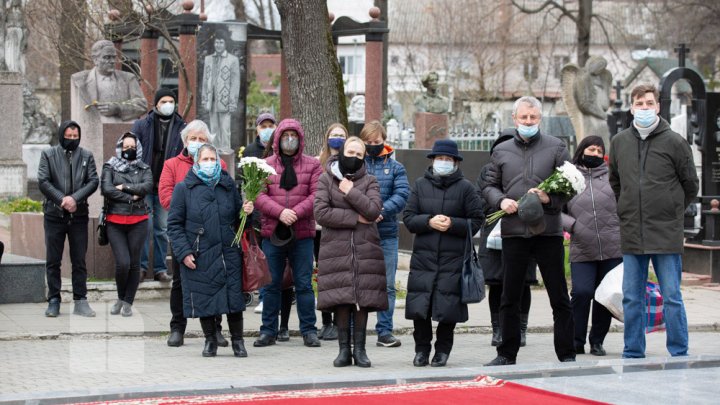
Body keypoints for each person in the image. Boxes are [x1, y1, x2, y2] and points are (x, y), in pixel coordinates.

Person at [483, 96, 575, 366]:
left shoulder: (557, 147)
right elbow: (488, 186)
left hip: (548, 231)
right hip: (513, 231)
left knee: (559, 295)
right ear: (514, 119)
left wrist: (550, 200)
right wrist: (501, 201)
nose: (528, 122)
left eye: (533, 118)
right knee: (509, 295)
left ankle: (567, 353)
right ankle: (506, 353)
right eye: (523, 118)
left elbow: (570, 187)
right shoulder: (501, 151)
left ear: (540, 119)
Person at [609, 84, 699, 359]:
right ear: (632, 107)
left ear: (658, 106)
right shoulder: (620, 142)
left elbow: (690, 184)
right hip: (633, 232)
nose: (645, 108)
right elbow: (616, 182)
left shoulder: (674, 141)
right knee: (631, 298)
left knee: (671, 296)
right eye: (639, 103)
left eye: (649, 103)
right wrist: (627, 208)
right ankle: (633, 351)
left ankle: (678, 350)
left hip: (665, 232)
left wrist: (672, 211)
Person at [167, 144, 253, 358]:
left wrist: (247, 212)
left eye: (212, 158)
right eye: (204, 159)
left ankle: (238, 342)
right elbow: (174, 225)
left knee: (234, 299)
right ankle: (210, 340)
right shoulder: (183, 188)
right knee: (205, 297)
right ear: (196, 162)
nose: (209, 162)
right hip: (201, 252)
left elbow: (239, 220)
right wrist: (184, 252)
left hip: (228, 251)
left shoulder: (227, 184)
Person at [403, 139, 483, 367]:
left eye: (448, 160)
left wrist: (453, 224)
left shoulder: (466, 188)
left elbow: (476, 220)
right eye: (440, 159)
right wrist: (429, 221)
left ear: (456, 163)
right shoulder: (419, 185)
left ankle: (443, 351)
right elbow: (408, 218)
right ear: (433, 161)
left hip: (453, 258)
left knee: (448, 309)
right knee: (421, 308)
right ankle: (421, 350)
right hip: (424, 258)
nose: (444, 163)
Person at [315, 136, 387, 367]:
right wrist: (355, 217)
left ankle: (361, 350)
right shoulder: (326, 179)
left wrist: (350, 191)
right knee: (343, 300)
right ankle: (344, 350)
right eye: (351, 152)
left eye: (359, 154)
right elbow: (321, 213)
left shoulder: (371, 181)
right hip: (336, 248)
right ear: (342, 152)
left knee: (362, 300)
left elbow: (374, 210)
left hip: (365, 248)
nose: (353, 157)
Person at [253, 118, 322, 348]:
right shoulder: (265, 164)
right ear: (278, 139)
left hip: (302, 233)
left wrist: (295, 212)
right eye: (285, 136)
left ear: (300, 139)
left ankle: (309, 331)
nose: (289, 140)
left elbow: (316, 195)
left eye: (293, 136)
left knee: (303, 284)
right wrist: (281, 212)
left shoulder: (313, 165)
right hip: (273, 233)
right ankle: (268, 331)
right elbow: (258, 195)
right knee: (271, 284)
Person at [158, 120, 228, 347]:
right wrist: (192, 209)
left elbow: (225, 194)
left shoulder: (219, 164)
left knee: (215, 281)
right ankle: (178, 327)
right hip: (184, 233)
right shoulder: (172, 165)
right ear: (185, 141)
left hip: (212, 233)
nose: (197, 143)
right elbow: (165, 195)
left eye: (202, 139)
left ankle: (216, 329)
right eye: (193, 139)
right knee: (180, 282)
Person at [561, 135, 622, 356]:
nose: (594, 154)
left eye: (599, 150)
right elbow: (555, 210)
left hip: (612, 246)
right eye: (591, 149)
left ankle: (597, 341)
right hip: (582, 247)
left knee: (605, 295)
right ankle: (576, 340)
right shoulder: (568, 177)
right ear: (581, 150)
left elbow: (626, 204)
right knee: (581, 292)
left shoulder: (612, 177)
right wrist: (573, 225)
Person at [477, 132, 537, 348]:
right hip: (494, 233)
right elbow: (480, 200)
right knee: (496, 283)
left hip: (524, 231)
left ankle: (521, 330)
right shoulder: (487, 172)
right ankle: (498, 329)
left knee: (523, 284)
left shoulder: (529, 170)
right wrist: (502, 205)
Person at [38, 120, 99, 317]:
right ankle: (54, 299)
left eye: (75, 136)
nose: (72, 139)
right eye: (68, 136)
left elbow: (93, 181)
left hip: (79, 215)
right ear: (61, 134)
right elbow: (43, 181)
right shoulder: (48, 154)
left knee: (79, 259)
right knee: (53, 260)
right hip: (54, 215)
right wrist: (61, 199)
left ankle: (80, 299)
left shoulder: (87, 155)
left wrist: (75, 198)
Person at [360, 121, 410, 348]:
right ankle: (355, 329)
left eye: (376, 142)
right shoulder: (356, 164)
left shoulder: (396, 167)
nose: (372, 146)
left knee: (387, 285)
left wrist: (381, 211)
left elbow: (401, 194)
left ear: (384, 141)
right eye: (368, 143)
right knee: (359, 283)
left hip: (387, 232)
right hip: (360, 232)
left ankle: (384, 331)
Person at [133, 88, 186, 283]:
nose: (167, 105)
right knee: (145, 226)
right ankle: (141, 267)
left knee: (162, 229)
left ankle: (160, 269)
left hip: (167, 186)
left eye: (171, 101)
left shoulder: (181, 127)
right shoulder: (142, 124)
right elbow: (133, 151)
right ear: (156, 104)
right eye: (163, 101)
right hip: (145, 184)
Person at [101, 133, 153, 317]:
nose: (128, 150)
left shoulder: (144, 167)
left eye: (132, 147)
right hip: (115, 221)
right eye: (125, 147)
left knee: (134, 263)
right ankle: (120, 297)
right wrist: (131, 197)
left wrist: (123, 188)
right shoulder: (110, 166)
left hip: (138, 221)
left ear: (137, 148)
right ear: (119, 148)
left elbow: (147, 187)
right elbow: (106, 189)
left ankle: (128, 302)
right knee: (122, 263)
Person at [313, 122, 354, 341]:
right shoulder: (318, 161)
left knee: (343, 274)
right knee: (324, 275)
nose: (337, 138)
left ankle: (343, 322)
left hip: (345, 226)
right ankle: (326, 321)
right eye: (333, 135)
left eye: (341, 135)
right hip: (321, 228)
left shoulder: (352, 162)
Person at [71, 40, 146, 122]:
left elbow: (141, 105)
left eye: (114, 57)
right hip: (92, 129)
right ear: (95, 59)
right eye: (107, 57)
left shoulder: (128, 79)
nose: (112, 61)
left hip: (123, 129)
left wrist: (118, 108)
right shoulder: (80, 81)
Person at [202, 29, 240, 154]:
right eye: (216, 42)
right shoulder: (208, 59)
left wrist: (232, 102)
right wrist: (204, 98)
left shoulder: (232, 60)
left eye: (221, 42)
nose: (218, 45)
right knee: (213, 129)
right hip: (211, 99)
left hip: (225, 101)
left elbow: (235, 83)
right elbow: (205, 80)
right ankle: (213, 154)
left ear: (225, 44)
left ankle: (225, 155)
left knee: (225, 129)